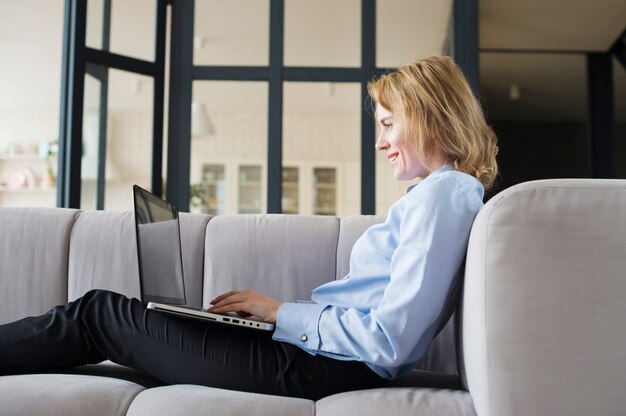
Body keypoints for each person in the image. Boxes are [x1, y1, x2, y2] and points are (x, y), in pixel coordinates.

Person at [0, 55, 498, 400]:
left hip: (324, 370)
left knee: (98, 315)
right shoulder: (439, 195)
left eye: (389, 124)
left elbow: (391, 341)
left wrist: (282, 313)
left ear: (426, 116)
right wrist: (280, 318)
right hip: (315, 357)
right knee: (114, 316)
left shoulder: (445, 196)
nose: (380, 142)